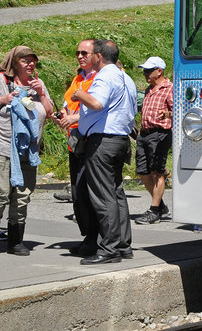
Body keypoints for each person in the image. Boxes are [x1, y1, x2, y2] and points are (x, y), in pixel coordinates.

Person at [74, 39, 137, 264]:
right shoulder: (125, 78)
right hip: (120, 139)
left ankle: (108, 249)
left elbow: (97, 103)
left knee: (103, 195)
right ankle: (122, 245)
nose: (86, 58)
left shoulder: (105, 76)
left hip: (103, 141)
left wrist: (79, 94)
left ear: (99, 56)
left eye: (90, 54)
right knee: (117, 192)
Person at [1, 45, 54, 255]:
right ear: (14, 63)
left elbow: (49, 112)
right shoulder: (3, 82)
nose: (31, 64)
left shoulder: (38, 84)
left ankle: (15, 241)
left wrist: (41, 93)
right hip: (4, 147)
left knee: (22, 196)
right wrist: (4, 100)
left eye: (33, 60)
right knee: (2, 194)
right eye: (25, 60)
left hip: (29, 151)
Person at [55, 40, 98, 213]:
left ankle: (95, 234)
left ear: (96, 55)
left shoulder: (100, 78)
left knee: (89, 189)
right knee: (77, 190)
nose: (80, 56)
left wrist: (74, 117)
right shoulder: (78, 78)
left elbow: (101, 109)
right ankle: (87, 233)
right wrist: (62, 115)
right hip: (74, 140)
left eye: (84, 53)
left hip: (91, 139)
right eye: (77, 53)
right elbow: (67, 104)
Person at [134, 56, 172, 224]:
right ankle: (160, 205)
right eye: (144, 71)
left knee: (157, 171)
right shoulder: (149, 90)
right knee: (143, 172)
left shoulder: (169, 88)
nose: (145, 74)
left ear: (159, 71)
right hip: (144, 134)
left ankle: (154, 210)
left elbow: (181, 110)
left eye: (148, 71)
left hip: (160, 133)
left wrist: (168, 114)